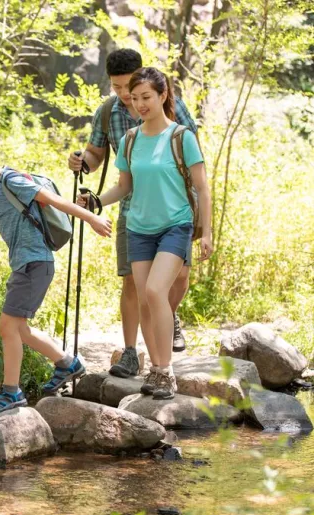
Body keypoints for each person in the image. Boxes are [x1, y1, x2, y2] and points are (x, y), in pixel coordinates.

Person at [0, 138, 112, 417]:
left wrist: (90, 218)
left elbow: (53, 200)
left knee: (7, 326)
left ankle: (11, 392)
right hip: (25, 265)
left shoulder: (11, 181)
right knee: (18, 329)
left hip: (35, 263)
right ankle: (67, 364)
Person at [82, 67, 212, 399]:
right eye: (135, 98)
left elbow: (202, 188)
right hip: (138, 228)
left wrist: (207, 232)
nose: (140, 104)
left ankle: (166, 372)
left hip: (175, 224)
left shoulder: (181, 136)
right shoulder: (130, 140)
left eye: (146, 97)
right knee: (143, 299)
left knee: (156, 291)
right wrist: (96, 201)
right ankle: (156, 369)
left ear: (163, 95)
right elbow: (123, 187)